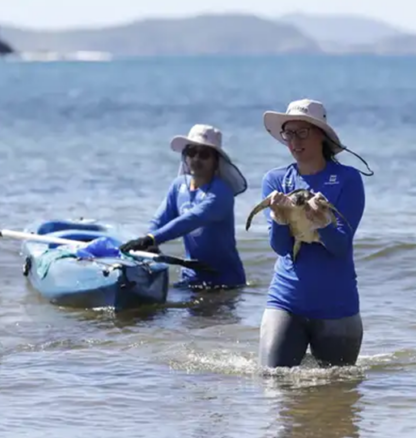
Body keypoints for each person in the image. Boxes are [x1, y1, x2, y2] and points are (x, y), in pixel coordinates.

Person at [258, 98, 371, 368]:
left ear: (321, 134)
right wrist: (278, 218)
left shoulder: (348, 179)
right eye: (289, 133)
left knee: (337, 394)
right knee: (274, 386)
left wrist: (324, 223)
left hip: (337, 306)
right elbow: (282, 248)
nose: (294, 141)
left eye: (302, 132)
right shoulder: (274, 181)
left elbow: (339, 247)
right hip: (286, 300)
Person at [120, 124, 248, 289]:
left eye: (204, 154)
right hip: (190, 278)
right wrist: (150, 244)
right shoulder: (178, 186)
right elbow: (159, 220)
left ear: (216, 161)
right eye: (191, 152)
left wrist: (152, 239)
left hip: (224, 280)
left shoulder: (221, 194)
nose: (196, 159)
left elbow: (191, 219)